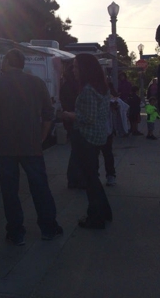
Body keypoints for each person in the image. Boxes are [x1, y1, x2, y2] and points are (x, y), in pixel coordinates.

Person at [0, 48, 62, 245]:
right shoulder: (37, 83)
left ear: (7, 62)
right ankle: (48, 227)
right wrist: (41, 137)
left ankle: (16, 232)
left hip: (4, 148)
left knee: (9, 190)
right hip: (32, 145)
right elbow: (49, 115)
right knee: (40, 187)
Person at [61, 53, 112, 229]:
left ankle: (96, 217)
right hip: (97, 137)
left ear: (84, 68)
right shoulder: (101, 88)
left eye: (75, 66)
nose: (73, 70)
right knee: (93, 177)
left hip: (86, 138)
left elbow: (88, 117)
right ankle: (104, 211)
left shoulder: (88, 90)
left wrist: (68, 115)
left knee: (90, 179)